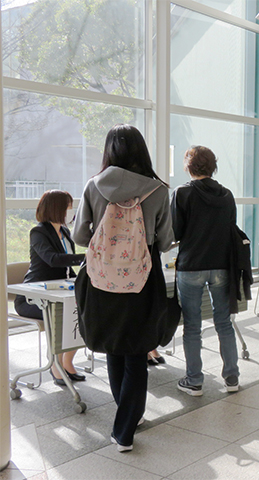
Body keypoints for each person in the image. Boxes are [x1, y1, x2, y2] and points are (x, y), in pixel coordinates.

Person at [73, 124, 174, 452]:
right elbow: (165, 240)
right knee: (137, 347)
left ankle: (126, 416)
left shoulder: (93, 185)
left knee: (114, 346)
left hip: (101, 277)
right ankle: (126, 426)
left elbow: (78, 236)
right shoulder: (158, 189)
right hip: (142, 278)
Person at [171, 145, 240, 396]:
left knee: (192, 326)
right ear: (213, 166)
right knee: (224, 322)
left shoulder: (182, 193)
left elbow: (175, 232)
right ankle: (232, 378)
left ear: (188, 167)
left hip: (191, 266)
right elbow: (230, 228)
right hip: (221, 265)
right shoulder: (227, 195)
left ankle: (195, 380)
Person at [15, 190, 85, 386]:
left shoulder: (64, 232)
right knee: (62, 315)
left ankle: (67, 363)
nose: (72, 212)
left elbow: (66, 269)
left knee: (83, 311)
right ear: (57, 209)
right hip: (33, 298)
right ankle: (55, 366)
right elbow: (53, 260)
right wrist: (85, 257)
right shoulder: (38, 232)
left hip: (59, 292)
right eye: (69, 207)